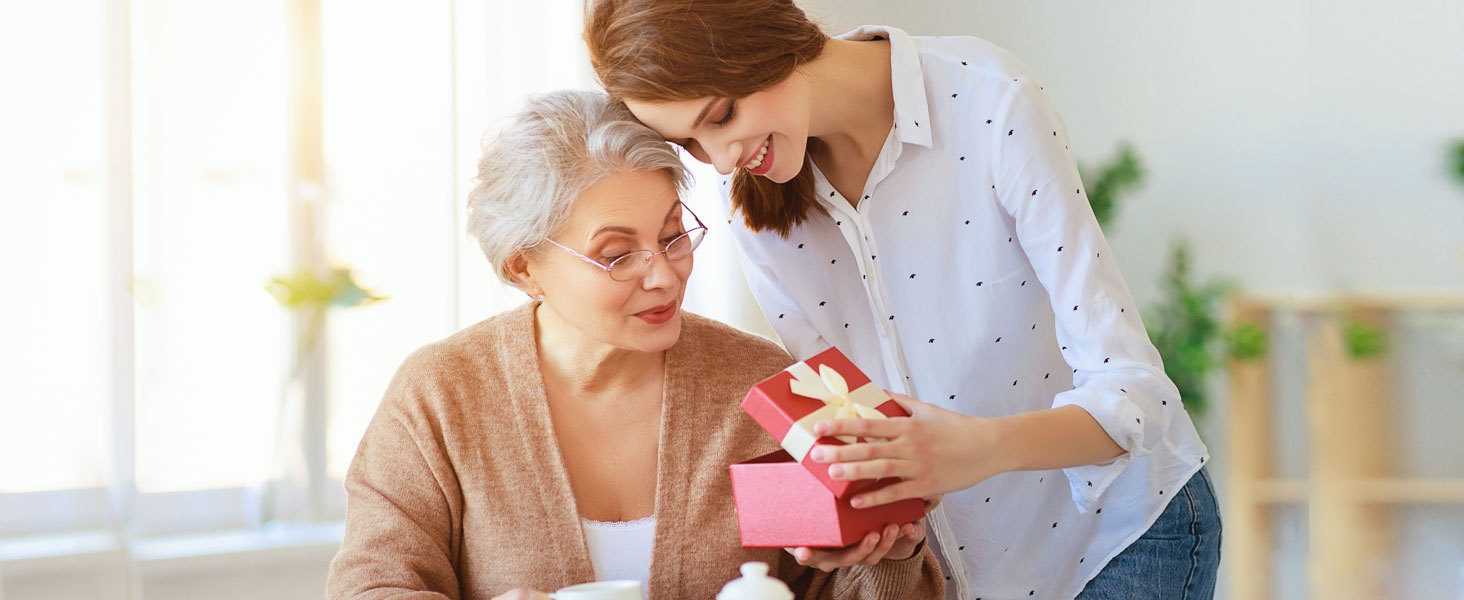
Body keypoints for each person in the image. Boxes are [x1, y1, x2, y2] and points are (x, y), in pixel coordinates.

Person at [584, 2, 1220, 598]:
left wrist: (980, 448)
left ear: (764, 41)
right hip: (966, 575)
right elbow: (860, 422)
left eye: (721, 116)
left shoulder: (987, 100)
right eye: (691, 145)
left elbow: (1139, 395)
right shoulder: (758, 216)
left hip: (1122, 541)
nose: (723, 161)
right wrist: (869, 514)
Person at [325, 90, 944, 600]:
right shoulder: (441, 394)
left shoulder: (765, 387)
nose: (664, 274)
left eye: (674, 235)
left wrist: (893, 549)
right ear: (524, 269)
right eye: (617, 254)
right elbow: (372, 586)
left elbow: (841, 581)